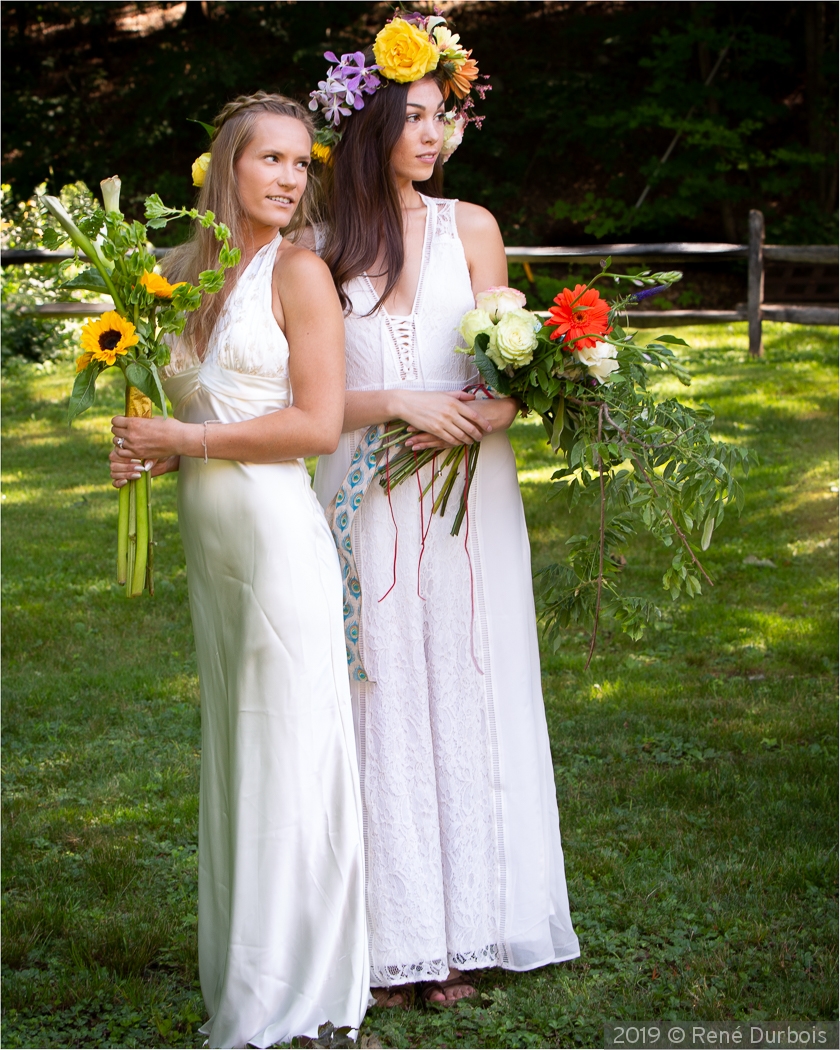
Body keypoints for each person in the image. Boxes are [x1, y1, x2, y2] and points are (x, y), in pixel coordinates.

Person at [309, 13, 580, 1008]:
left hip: (469, 499)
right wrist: (400, 408)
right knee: (382, 693)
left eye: (441, 116)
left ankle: (470, 931)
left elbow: (515, 373)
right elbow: (305, 399)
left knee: (465, 681)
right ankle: (395, 936)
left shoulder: (471, 227)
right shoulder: (323, 245)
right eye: (413, 117)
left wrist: (478, 414)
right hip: (366, 493)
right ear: (370, 125)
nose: (432, 135)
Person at [109, 93, 369, 1048]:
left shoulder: (301, 272)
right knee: (240, 753)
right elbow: (203, 407)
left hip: (275, 542)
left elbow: (315, 425)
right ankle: (246, 974)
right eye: (272, 160)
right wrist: (155, 449)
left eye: (302, 164)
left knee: (287, 753)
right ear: (230, 166)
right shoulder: (184, 275)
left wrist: (189, 434)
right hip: (211, 551)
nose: (290, 178)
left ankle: (298, 997)